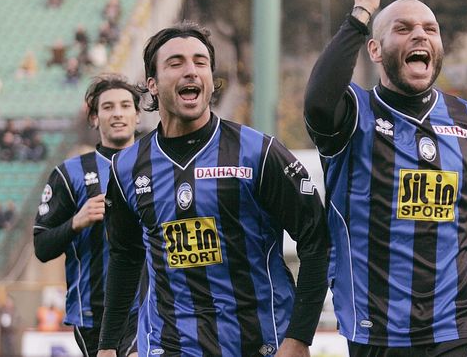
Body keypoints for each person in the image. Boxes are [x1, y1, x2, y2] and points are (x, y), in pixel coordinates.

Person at [304, 0, 467, 355]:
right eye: (402, 29)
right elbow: (318, 101)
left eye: (430, 29)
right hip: (377, 326)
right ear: (375, 50)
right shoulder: (353, 115)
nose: (420, 35)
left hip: (461, 322)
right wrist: (361, 11)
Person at [97, 21, 329, 357]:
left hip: (258, 343)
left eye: (200, 62)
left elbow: (316, 239)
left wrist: (299, 337)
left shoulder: (258, 153)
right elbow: (124, 257)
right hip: (169, 345)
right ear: (151, 83)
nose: (191, 71)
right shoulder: (127, 167)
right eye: (175, 63)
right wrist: (108, 345)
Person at [33, 74, 142, 357]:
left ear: (137, 115)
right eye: (107, 107)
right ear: (94, 118)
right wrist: (76, 222)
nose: (117, 113)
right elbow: (42, 247)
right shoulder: (69, 175)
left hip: (150, 305)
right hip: (94, 312)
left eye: (125, 105)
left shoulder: (158, 166)